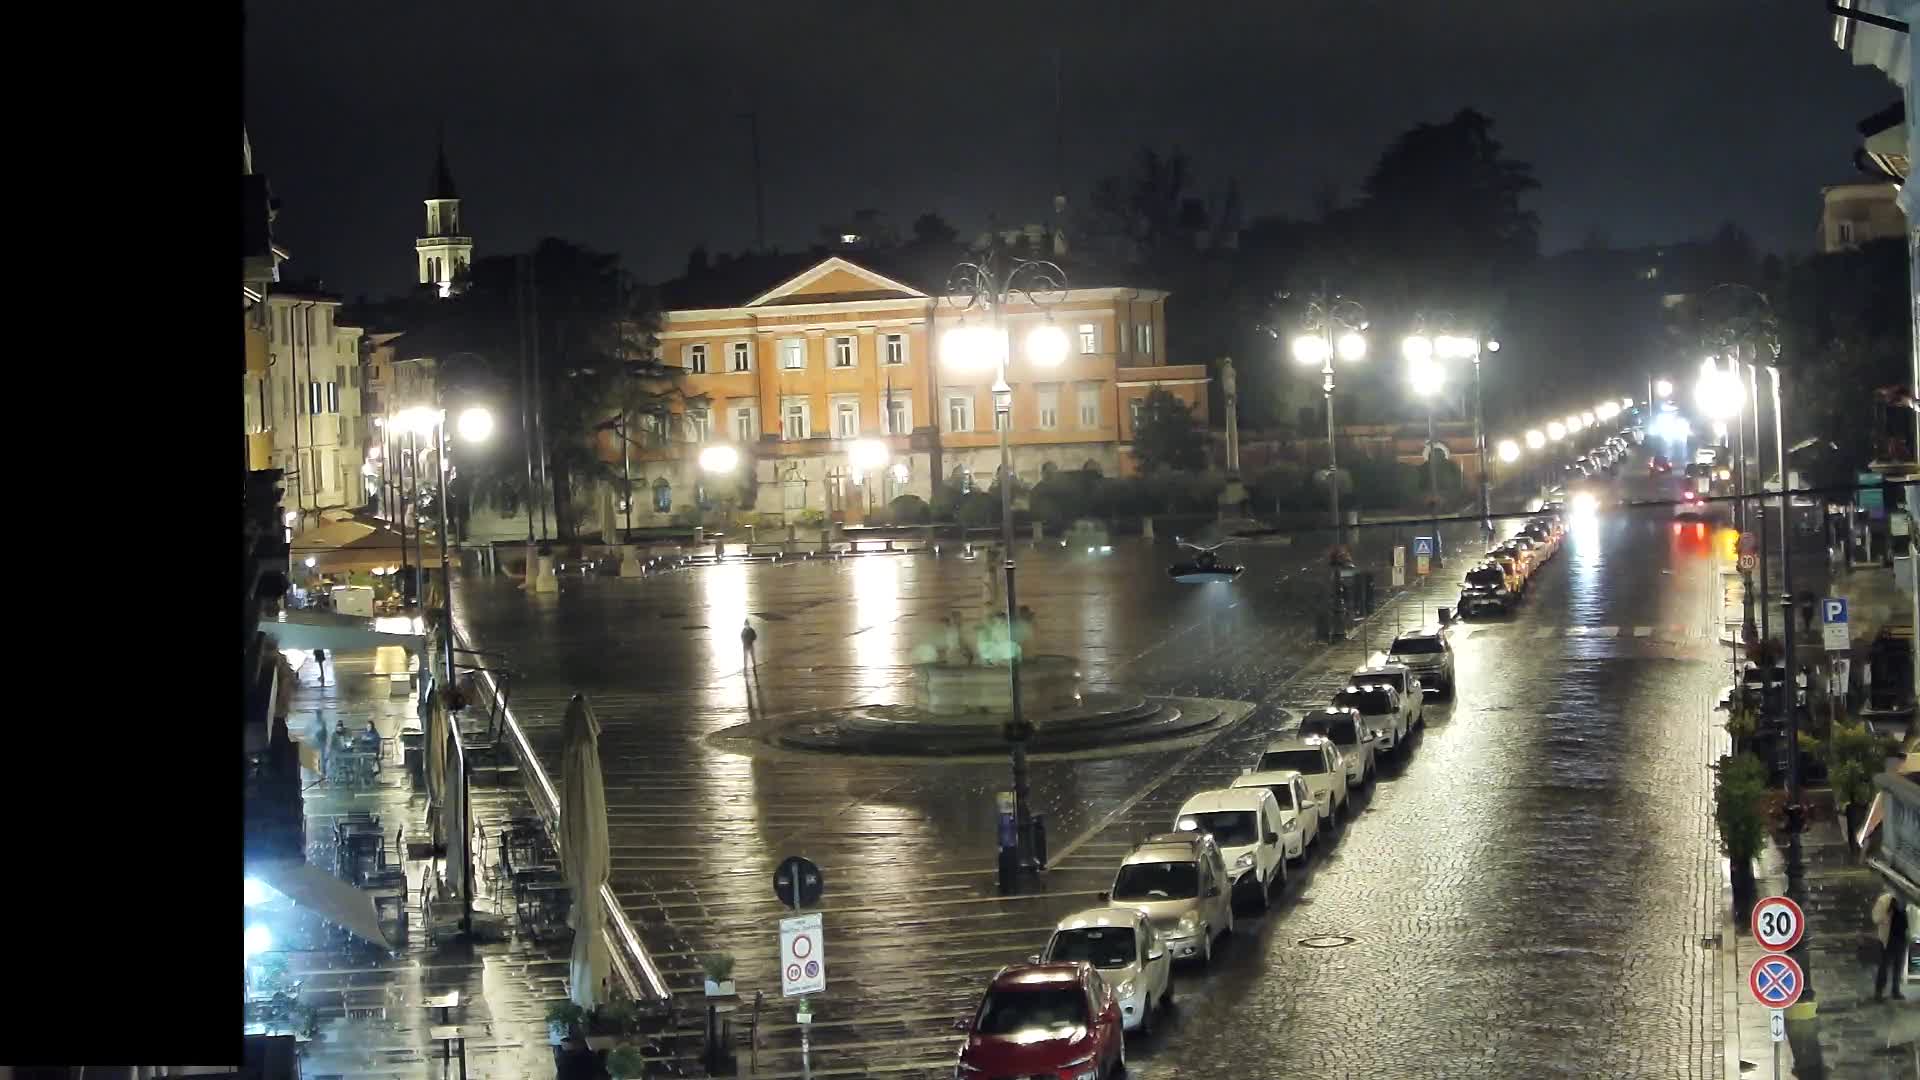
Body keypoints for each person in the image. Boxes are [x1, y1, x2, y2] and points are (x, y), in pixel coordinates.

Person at [1874, 890, 1910, 1000]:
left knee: (1899, 966)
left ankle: (1895, 990)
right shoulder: (1884, 900)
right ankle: (1879, 992)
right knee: (1884, 966)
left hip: (1902, 939)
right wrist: (1887, 914)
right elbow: (1876, 918)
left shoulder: (1908, 902)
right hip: (1888, 939)